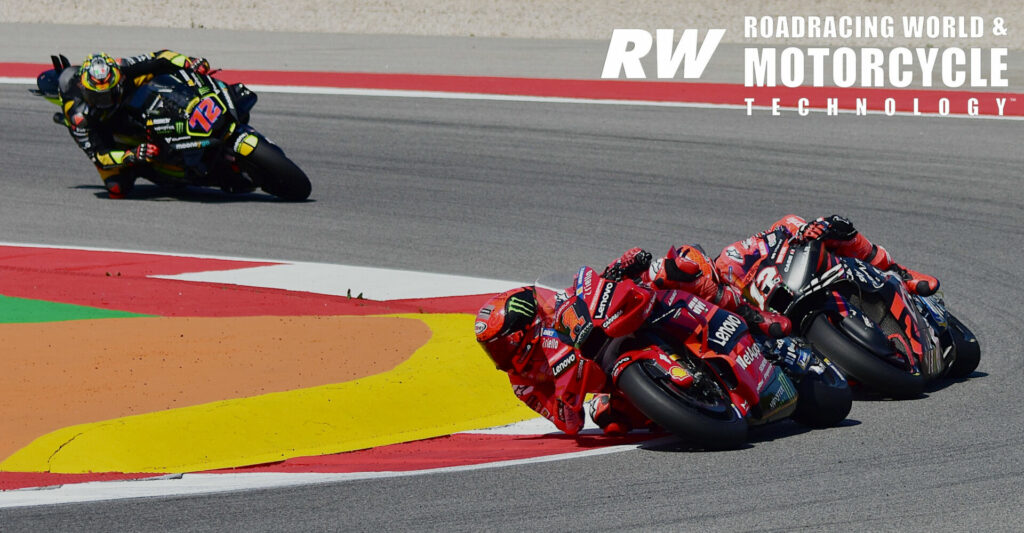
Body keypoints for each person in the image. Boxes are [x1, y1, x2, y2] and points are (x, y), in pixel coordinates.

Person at [59, 50, 211, 198]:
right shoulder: (78, 116)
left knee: (158, 71)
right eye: (97, 97)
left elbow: (160, 57)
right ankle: (142, 168)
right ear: (84, 88)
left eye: (108, 94)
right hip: (100, 127)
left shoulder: (121, 67)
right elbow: (99, 156)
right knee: (117, 188)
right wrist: (131, 155)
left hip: (129, 102)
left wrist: (189, 62)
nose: (104, 102)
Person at [715, 214, 939, 297]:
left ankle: (899, 273)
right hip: (787, 309)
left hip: (815, 270)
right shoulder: (726, 294)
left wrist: (807, 231)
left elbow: (789, 223)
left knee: (835, 228)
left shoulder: (737, 254)